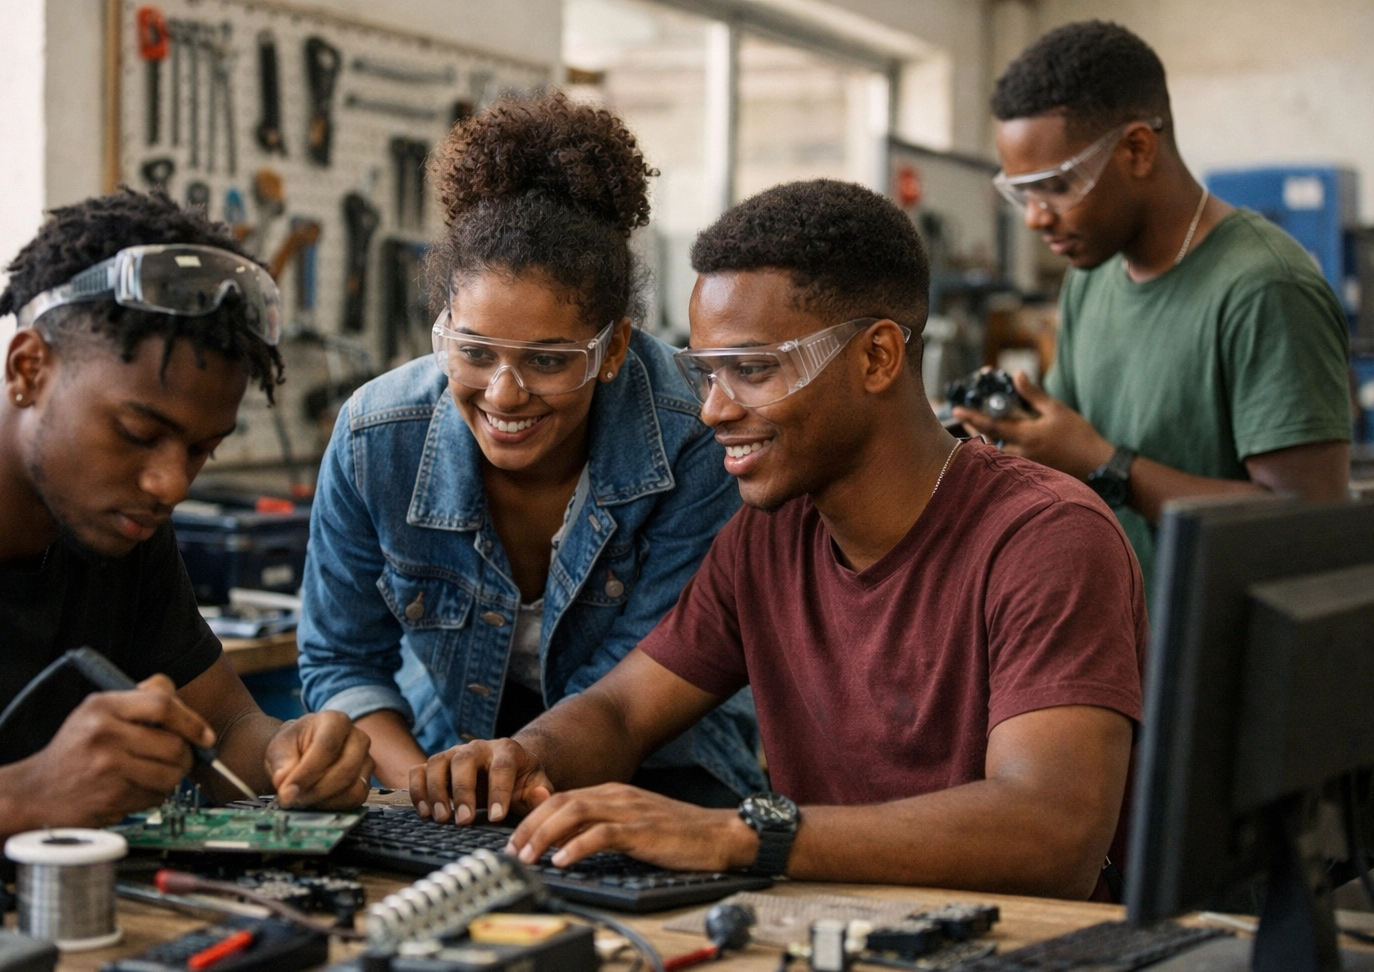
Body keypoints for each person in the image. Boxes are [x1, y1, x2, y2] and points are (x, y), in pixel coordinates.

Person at [410, 180, 1147, 900]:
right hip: (833, 942)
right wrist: (521, 757)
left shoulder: (1046, 539)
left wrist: (741, 834)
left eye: (752, 371)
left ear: (878, 357)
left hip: (1025, 961)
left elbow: (1054, 833)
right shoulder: (766, 537)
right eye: (706, 374)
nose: (713, 411)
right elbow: (623, 710)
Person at [0, 191, 374, 897]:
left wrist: (289, 755)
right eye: (136, 433)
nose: (170, 482)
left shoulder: (120, 523)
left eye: (201, 450)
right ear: (29, 368)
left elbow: (225, 724)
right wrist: (30, 796)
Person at [298, 93, 762, 809]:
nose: (505, 394)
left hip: (664, 771)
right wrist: (420, 787)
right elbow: (339, 658)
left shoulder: (693, 434)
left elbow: (634, 692)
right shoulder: (374, 437)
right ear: (442, 328)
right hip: (448, 756)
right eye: (475, 352)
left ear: (612, 352)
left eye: (548, 361)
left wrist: (507, 777)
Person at [958, 21, 1350, 590]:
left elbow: (1308, 524)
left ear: (1137, 149)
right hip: (1117, 636)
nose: (1036, 218)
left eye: (1057, 187)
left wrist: (1107, 465)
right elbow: (1067, 451)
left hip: (1215, 659)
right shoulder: (1091, 277)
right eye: (1022, 193)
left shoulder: (1266, 287)